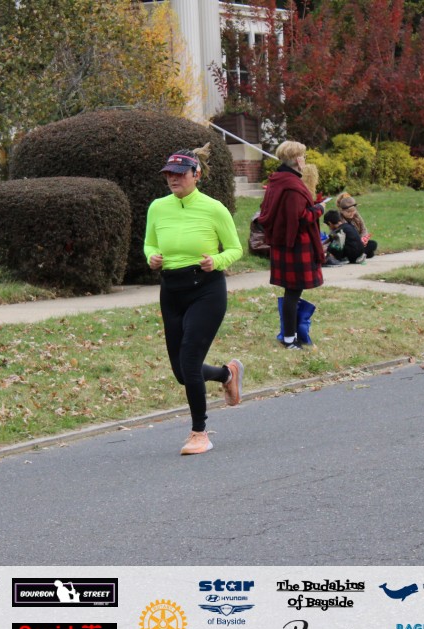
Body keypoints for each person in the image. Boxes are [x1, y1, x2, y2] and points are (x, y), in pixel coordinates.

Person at [144, 145, 244, 455]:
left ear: (196, 174)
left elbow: (235, 248)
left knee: (189, 361)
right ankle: (227, 374)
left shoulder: (214, 208)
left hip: (206, 290)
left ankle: (199, 433)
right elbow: (149, 244)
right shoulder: (157, 207)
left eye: (179, 174)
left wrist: (217, 261)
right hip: (172, 290)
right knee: (181, 373)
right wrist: (152, 257)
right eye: (168, 174)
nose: (172, 179)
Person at [257, 140, 325, 349]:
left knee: (292, 293)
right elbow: (300, 218)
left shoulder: (278, 180)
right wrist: (320, 209)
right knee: (292, 293)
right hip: (295, 245)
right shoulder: (292, 186)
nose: (304, 159)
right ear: (297, 159)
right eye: (303, 156)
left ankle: (293, 334)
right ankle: (289, 339)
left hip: (284, 243)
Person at [325, 193, 377, 264]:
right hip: (347, 244)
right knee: (365, 251)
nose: (352, 213)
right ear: (342, 210)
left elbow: (363, 229)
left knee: (373, 244)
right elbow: (335, 237)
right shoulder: (338, 219)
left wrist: (362, 239)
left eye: (353, 211)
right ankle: (361, 254)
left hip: (357, 242)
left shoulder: (356, 216)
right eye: (348, 212)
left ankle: (361, 254)